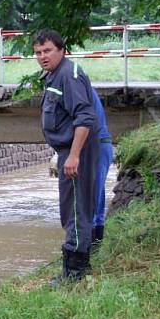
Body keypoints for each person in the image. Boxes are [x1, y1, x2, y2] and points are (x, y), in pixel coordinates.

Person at [33, 29, 100, 281]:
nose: (43, 56)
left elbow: (84, 117)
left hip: (76, 151)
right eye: (38, 52)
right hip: (68, 151)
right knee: (71, 207)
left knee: (74, 209)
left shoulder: (68, 76)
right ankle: (75, 265)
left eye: (48, 50)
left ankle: (74, 272)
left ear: (61, 50)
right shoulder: (54, 75)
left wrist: (73, 156)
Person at [91, 88, 113, 249]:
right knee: (97, 196)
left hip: (95, 146)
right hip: (100, 144)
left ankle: (88, 252)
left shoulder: (74, 88)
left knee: (91, 198)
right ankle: (95, 248)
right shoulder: (84, 87)